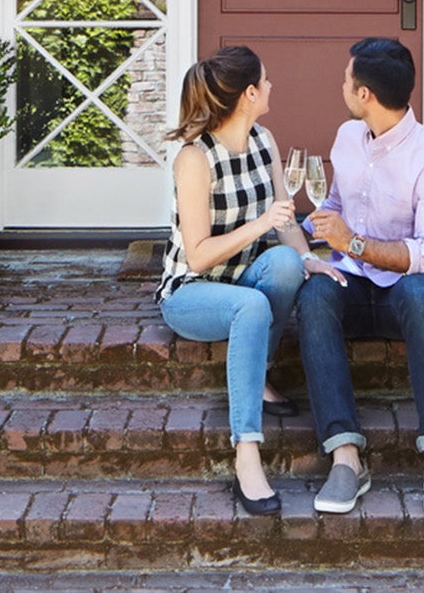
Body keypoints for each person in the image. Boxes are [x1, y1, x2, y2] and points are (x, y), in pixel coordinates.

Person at [154, 44, 345, 515]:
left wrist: (309, 259)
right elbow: (197, 257)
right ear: (248, 94)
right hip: (192, 292)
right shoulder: (195, 159)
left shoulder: (265, 141)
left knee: (285, 265)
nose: (272, 86)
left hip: (246, 274)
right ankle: (247, 454)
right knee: (252, 305)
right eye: (266, 79)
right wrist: (259, 226)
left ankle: (256, 374)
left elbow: (284, 220)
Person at [297, 36, 424, 519]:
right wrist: (295, 229)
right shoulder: (347, 137)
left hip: (402, 298)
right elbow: (334, 207)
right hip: (353, 286)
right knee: (313, 295)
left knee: (420, 294)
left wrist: (354, 243)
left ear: (365, 95)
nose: (343, 85)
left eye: (347, 79)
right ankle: (346, 456)